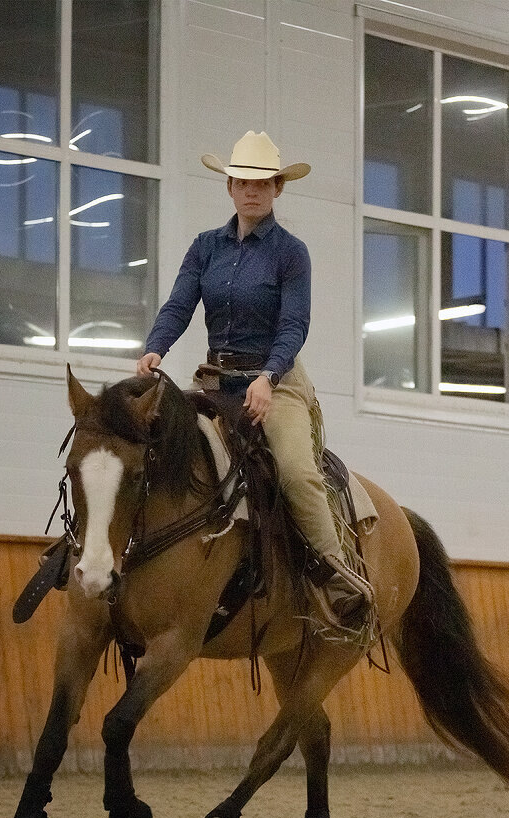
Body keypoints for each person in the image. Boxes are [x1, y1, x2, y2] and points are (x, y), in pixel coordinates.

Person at [137, 130, 372, 629]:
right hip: (216, 380)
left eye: (262, 184)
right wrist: (156, 347)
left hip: (276, 380)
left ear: (277, 190)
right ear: (229, 188)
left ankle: (337, 576)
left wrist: (267, 377)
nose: (252, 191)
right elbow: (179, 305)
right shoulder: (205, 248)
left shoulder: (292, 253)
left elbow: (293, 326)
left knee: (294, 469)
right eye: (242, 182)